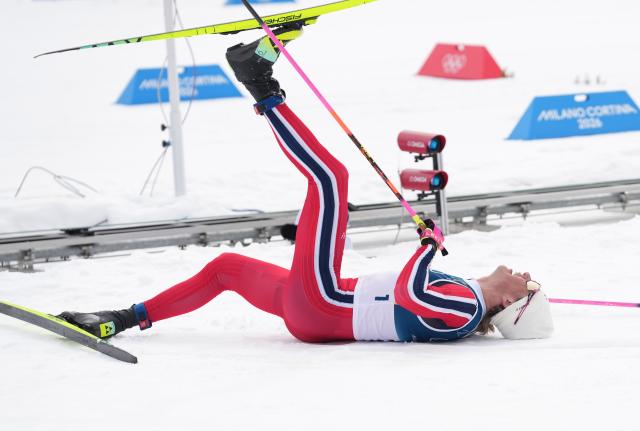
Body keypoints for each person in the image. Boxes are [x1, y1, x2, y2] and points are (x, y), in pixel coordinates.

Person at [59, 25, 553, 343]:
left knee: (331, 179)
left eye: (528, 283)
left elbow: (408, 293)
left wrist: (428, 246)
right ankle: (120, 319)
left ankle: (258, 82)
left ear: (511, 303)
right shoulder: (467, 300)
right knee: (226, 268)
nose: (524, 272)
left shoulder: (468, 308)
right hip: (315, 308)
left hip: (325, 302)